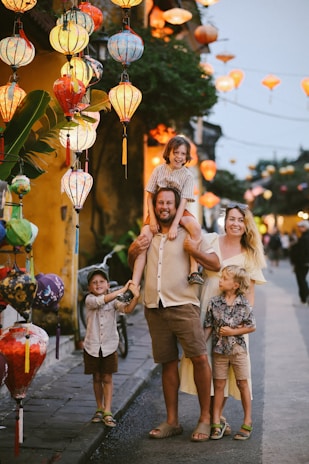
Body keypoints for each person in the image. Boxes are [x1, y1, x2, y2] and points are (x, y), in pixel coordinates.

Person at [128, 187, 221, 442]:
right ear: (154, 205)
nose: (164, 207)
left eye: (169, 202)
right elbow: (133, 262)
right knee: (167, 363)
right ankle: (172, 421)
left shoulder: (188, 233)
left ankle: (204, 418)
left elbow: (214, 263)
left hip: (183, 304)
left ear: (177, 206)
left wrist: (197, 252)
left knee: (200, 358)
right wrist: (135, 248)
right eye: (160, 202)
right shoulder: (148, 232)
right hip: (154, 306)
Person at [179, 202, 266, 436]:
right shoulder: (210, 240)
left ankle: (213, 418)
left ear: (246, 225)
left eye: (240, 220)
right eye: (231, 219)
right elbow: (189, 232)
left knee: (225, 369)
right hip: (206, 309)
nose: (235, 223)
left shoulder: (249, 255)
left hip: (232, 322)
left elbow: (250, 297)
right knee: (202, 361)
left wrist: (236, 325)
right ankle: (208, 416)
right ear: (224, 221)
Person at [118, 135, 203, 304]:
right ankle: (134, 284)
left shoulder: (187, 175)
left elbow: (184, 201)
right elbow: (149, 196)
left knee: (195, 229)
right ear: (168, 153)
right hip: (158, 210)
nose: (179, 156)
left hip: (178, 210)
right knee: (143, 240)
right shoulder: (158, 170)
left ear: (187, 157)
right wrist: (152, 219)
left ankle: (194, 270)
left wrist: (174, 225)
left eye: (183, 154)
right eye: (175, 152)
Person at [204, 265, 256, 441]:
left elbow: (252, 326)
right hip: (219, 351)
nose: (220, 280)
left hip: (239, 351)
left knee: (243, 384)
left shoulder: (244, 303)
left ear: (235, 285)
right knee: (219, 386)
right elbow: (209, 326)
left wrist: (232, 332)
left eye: (225, 278)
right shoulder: (214, 303)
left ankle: (247, 421)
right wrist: (200, 346)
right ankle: (216, 422)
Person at [83, 269, 140, 426]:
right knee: (96, 377)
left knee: (107, 378)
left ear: (107, 284)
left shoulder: (114, 302)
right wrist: (122, 290)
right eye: (94, 282)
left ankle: (107, 410)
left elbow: (127, 309)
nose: (98, 284)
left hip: (109, 346)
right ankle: (99, 408)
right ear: (89, 288)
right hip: (92, 346)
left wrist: (135, 297)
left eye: (101, 281)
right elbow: (100, 301)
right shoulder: (89, 300)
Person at [289, 220, 309, 304]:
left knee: (301, 279)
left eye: (301, 227)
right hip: (302, 262)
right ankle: (304, 298)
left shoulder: (305, 238)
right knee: (301, 279)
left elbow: (302, 251)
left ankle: (305, 297)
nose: (299, 228)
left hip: (303, 262)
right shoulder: (302, 237)